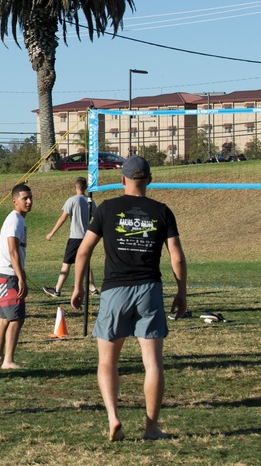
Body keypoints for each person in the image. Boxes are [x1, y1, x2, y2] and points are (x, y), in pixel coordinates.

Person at [71, 156, 187, 441]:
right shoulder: (162, 211)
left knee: (108, 362)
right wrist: (182, 292)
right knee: (153, 363)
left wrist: (78, 287)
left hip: (114, 291)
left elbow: (83, 251)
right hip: (149, 289)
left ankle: (113, 417)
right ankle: (150, 427)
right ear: (149, 179)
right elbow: (177, 256)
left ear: (123, 179)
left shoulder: (108, 208)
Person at [0, 183, 33, 370]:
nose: (29, 201)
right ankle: (8, 360)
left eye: (30, 198)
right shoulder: (15, 220)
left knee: (5, 319)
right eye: (25, 198)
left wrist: (21, 274)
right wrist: (20, 278)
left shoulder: (17, 220)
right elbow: (13, 251)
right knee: (16, 318)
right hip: (6, 275)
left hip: (0, 274)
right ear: (14, 201)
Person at [44, 177, 98, 297]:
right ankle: (93, 288)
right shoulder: (90, 201)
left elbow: (62, 218)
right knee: (86, 262)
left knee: (66, 264)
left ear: (75, 187)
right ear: (86, 188)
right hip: (87, 237)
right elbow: (97, 217)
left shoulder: (72, 200)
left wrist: (51, 233)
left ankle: (57, 290)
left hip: (75, 237)